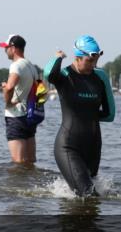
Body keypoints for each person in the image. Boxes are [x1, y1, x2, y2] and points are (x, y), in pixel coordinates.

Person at [43, 35, 116, 197]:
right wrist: (58, 58)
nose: (93, 65)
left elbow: (110, 114)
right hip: (68, 146)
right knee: (88, 194)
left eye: (96, 61)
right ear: (77, 57)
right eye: (89, 61)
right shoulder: (64, 75)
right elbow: (48, 74)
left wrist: (86, 116)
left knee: (91, 196)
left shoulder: (101, 77)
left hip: (93, 147)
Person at [0, 34, 37, 165]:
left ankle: (18, 185)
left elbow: (9, 88)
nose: (5, 51)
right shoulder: (31, 66)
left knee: (18, 162)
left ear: (13, 48)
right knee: (30, 161)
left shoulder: (16, 66)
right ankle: (32, 184)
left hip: (16, 116)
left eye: (6, 47)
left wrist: (8, 103)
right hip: (30, 116)